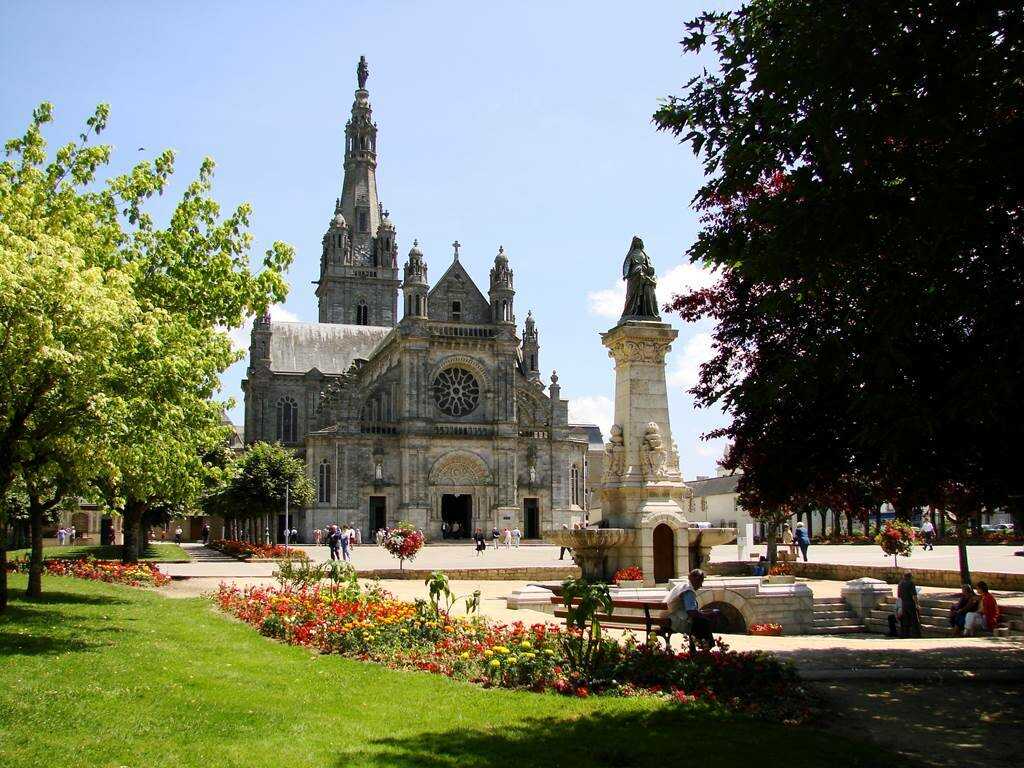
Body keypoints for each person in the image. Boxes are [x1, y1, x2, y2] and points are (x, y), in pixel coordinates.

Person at [664, 568, 716, 650]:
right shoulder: (688, 590)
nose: (701, 585)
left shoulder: (683, 585)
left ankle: (700, 647)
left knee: (701, 620)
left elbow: (690, 610)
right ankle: (706, 647)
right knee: (703, 622)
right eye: (700, 582)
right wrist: (708, 614)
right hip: (673, 620)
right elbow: (691, 612)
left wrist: (703, 613)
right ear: (695, 579)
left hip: (667, 617)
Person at [897, 572, 921, 638]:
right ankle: (916, 635)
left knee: (905, 621)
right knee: (914, 620)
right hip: (911, 603)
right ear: (910, 577)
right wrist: (917, 604)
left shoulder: (900, 584)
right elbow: (914, 595)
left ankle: (905, 635)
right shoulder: (911, 583)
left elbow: (899, 596)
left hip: (904, 604)